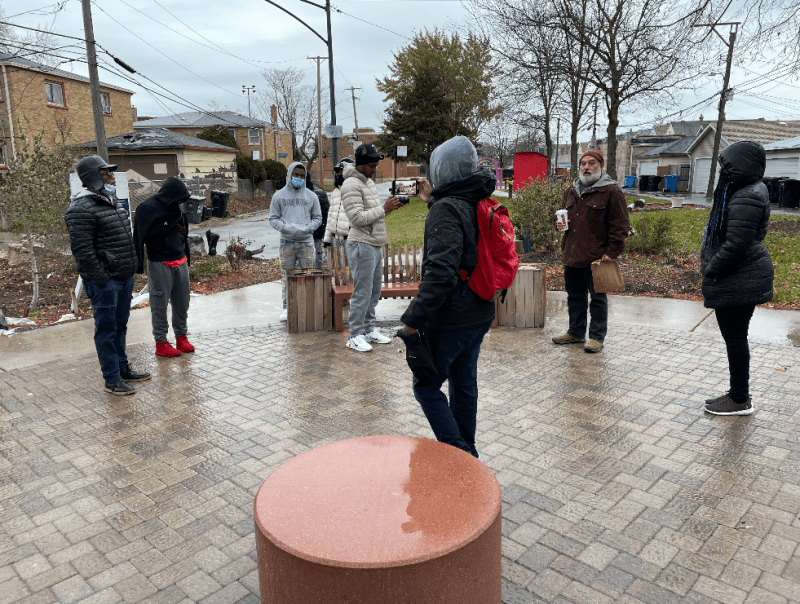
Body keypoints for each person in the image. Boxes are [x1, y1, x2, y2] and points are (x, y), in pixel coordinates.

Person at [399, 136, 496, 458]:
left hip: (452, 318)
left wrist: (412, 321)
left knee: (426, 387)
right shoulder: (476, 199)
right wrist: (433, 200)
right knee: (463, 384)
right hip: (480, 311)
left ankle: (460, 455)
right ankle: (468, 453)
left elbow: (441, 274)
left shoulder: (446, 209)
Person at [65, 156, 150, 396]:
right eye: (106, 172)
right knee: (106, 330)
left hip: (124, 277)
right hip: (106, 282)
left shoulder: (110, 199)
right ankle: (112, 379)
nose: (112, 175)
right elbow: (82, 252)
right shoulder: (80, 209)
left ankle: (123, 370)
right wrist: (102, 279)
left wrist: (131, 268)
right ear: (92, 175)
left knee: (120, 326)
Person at [701, 140, 773, 416]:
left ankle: (740, 399)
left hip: (740, 277)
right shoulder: (747, 190)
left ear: (739, 165)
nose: (723, 171)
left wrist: (711, 269)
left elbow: (735, 246)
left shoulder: (747, 195)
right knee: (736, 338)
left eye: (726, 165)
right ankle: (737, 394)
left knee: (735, 339)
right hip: (742, 275)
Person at [552, 149, 629, 353]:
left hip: (597, 257)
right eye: (583, 164)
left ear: (600, 166)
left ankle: (596, 337)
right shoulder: (571, 191)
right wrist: (558, 225)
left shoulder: (611, 192)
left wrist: (612, 253)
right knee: (575, 297)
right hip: (572, 253)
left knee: (597, 299)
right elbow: (561, 218)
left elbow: (620, 226)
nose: (586, 167)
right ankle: (575, 332)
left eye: (591, 163)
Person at [341, 143, 403, 352]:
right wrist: (383, 209)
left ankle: (368, 329)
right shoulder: (351, 184)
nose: (375, 167)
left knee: (374, 291)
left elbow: (374, 213)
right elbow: (357, 218)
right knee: (362, 292)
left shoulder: (367, 183)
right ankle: (354, 335)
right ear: (361, 164)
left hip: (374, 244)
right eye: (372, 164)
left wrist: (388, 209)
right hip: (361, 243)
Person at [133, 177, 194, 358]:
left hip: (180, 261)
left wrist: (187, 261)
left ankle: (181, 337)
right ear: (169, 195)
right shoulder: (146, 208)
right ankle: (161, 342)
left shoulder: (177, 205)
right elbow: (137, 238)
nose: (180, 203)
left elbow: (184, 234)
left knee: (182, 302)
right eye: (179, 200)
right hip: (159, 262)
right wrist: (137, 266)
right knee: (159, 304)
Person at [269, 162, 322, 322]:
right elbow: (273, 218)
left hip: (306, 243)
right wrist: (287, 228)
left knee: (307, 276)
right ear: (289, 174)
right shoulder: (278, 196)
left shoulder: (311, 196)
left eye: (302, 176)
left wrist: (307, 229)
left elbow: (318, 218)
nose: (298, 178)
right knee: (287, 277)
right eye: (296, 174)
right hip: (287, 242)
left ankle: (306, 306)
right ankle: (287, 307)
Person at [323, 158, 354, 250]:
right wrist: (327, 239)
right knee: (337, 264)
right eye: (338, 171)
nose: (339, 174)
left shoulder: (355, 191)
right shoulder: (335, 192)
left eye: (342, 171)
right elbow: (330, 216)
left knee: (350, 265)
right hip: (335, 240)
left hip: (350, 240)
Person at [306, 172, 330, 268]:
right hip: (300, 234)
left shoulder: (319, 194)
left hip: (317, 232)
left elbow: (326, 213)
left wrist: (323, 229)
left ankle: (318, 274)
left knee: (318, 255)